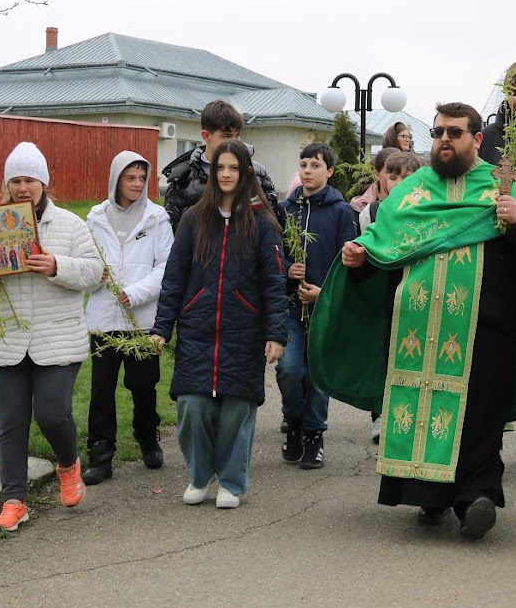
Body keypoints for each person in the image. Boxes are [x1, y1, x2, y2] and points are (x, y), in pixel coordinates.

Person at [309, 102, 516, 541]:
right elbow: (384, 242)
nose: (444, 140)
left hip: (485, 329)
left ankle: (475, 498)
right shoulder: (412, 191)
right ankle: (429, 497)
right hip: (416, 330)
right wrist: (360, 257)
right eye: (438, 132)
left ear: (477, 140)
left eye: (455, 133)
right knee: (421, 408)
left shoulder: (505, 187)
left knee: (480, 415)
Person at [0, 142, 104, 533]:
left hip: (57, 338)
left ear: (44, 183)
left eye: (30, 179)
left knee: (51, 412)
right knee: (10, 422)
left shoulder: (71, 225)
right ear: (6, 184)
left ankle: (68, 463)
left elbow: (95, 273)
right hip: (8, 339)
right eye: (16, 180)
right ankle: (14, 501)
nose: (23, 187)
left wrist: (57, 265)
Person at [151, 141, 288, 509]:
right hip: (198, 330)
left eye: (234, 168)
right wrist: (162, 327)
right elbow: (174, 278)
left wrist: (276, 333)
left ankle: (231, 482)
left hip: (244, 332)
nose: (226, 174)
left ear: (246, 174)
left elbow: (275, 283)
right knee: (192, 408)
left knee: (236, 414)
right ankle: (199, 476)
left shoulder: (263, 224)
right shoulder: (194, 220)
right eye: (220, 168)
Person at [82, 151, 175, 485]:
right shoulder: (95, 218)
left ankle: (147, 436)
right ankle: (100, 454)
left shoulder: (157, 217)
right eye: (129, 177)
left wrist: (136, 293)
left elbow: (167, 267)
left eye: (141, 178)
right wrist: (95, 277)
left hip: (142, 321)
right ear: (116, 180)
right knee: (101, 390)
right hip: (104, 321)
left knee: (143, 384)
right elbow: (86, 263)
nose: (136, 184)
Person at [277, 142, 359, 470]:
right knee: (289, 369)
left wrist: (323, 293)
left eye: (315, 165)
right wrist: (287, 268)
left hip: (323, 309)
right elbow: (273, 251)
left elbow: (347, 262)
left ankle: (314, 435)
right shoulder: (286, 210)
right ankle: (293, 419)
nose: (308, 170)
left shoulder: (341, 212)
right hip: (292, 309)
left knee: (316, 376)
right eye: (304, 164)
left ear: (330, 171)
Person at [357, 149, 424, 441]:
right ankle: (385, 414)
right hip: (390, 296)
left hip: (422, 296)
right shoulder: (371, 213)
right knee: (390, 356)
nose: (397, 182)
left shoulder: (433, 213)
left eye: (406, 177)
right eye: (392, 176)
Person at [160, 99, 281, 230]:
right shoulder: (182, 180)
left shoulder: (257, 174)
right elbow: (170, 234)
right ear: (206, 136)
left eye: (237, 135)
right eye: (227, 136)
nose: (234, 142)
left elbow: (272, 227)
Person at [349, 147, 395, 215]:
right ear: (376, 174)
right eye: (390, 172)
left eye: (403, 175)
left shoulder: (412, 204)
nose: (398, 180)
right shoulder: (359, 208)